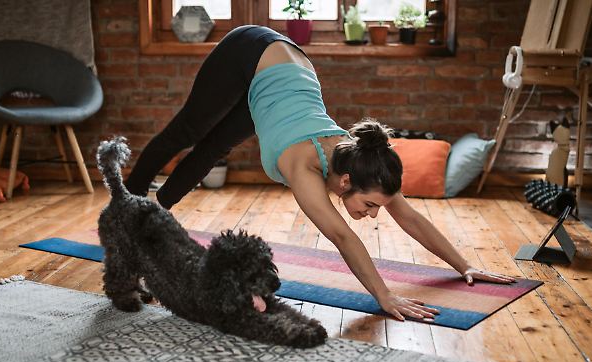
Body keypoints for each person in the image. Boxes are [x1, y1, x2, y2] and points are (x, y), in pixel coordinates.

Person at [125, 25, 516, 321]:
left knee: (214, 148)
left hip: (285, 70)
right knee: (190, 133)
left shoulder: (364, 165)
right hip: (250, 51)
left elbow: (409, 216)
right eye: (370, 205)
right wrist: (384, 296)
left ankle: (155, 208)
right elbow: (343, 237)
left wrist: (463, 265)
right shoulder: (304, 167)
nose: (374, 214)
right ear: (345, 183)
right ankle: (127, 201)